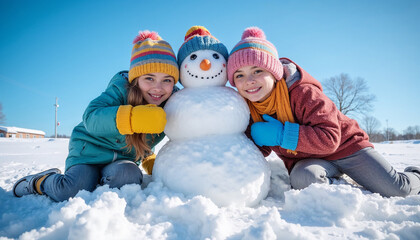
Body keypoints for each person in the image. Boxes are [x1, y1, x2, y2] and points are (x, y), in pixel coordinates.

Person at [227, 26, 420, 197]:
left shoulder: (303, 92)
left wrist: (282, 135)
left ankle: (416, 176)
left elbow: (330, 138)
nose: (249, 80)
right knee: (304, 180)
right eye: (240, 75)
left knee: (398, 189)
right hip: (307, 160)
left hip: (347, 149)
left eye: (257, 71)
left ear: (274, 72)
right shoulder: (248, 109)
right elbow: (257, 149)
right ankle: (339, 184)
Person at [13, 30, 179, 202]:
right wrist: (132, 118)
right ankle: (39, 182)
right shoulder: (120, 90)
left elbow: (147, 140)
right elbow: (91, 117)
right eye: (149, 78)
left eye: (167, 80)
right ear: (136, 79)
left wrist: (151, 160)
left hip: (121, 161)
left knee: (128, 177)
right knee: (70, 190)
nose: (158, 88)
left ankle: (99, 186)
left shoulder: (171, 106)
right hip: (88, 154)